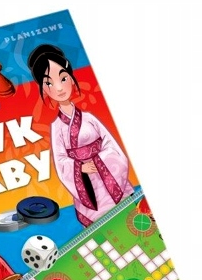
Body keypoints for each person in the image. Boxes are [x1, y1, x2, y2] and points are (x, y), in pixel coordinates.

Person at [28, 44, 134, 227]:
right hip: (86, 184)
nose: (59, 88)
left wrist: (100, 161)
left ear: (71, 78)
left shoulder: (90, 118)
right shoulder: (56, 127)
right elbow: (60, 161)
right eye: (49, 83)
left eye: (63, 78)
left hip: (108, 175)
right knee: (103, 231)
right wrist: (80, 168)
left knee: (131, 221)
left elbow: (111, 145)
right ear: (44, 89)